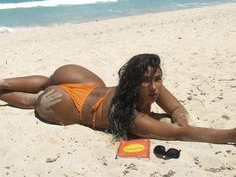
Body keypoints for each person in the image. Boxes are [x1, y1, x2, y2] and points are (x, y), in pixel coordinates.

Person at [0, 53, 235, 144]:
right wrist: (230, 135)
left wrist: (179, 115)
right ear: (132, 82)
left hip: (85, 85)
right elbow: (180, 134)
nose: (154, 87)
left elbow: (176, 108)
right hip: (70, 104)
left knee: (47, 82)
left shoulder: (152, 89)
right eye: (145, 80)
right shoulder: (131, 117)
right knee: (36, 99)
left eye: (158, 78)